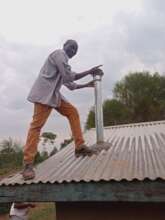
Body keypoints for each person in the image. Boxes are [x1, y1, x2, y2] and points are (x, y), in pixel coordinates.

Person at [22, 39, 103, 180]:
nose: (72, 51)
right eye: (71, 47)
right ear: (64, 45)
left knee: (72, 112)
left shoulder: (64, 63)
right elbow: (68, 76)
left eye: (75, 50)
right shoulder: (59, 54)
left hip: (54, 95)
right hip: (43, 94)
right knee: (36, 127)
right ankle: (28, 164)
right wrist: (89, 71)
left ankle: (79, 147)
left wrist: (86, 85)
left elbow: (70, 84)